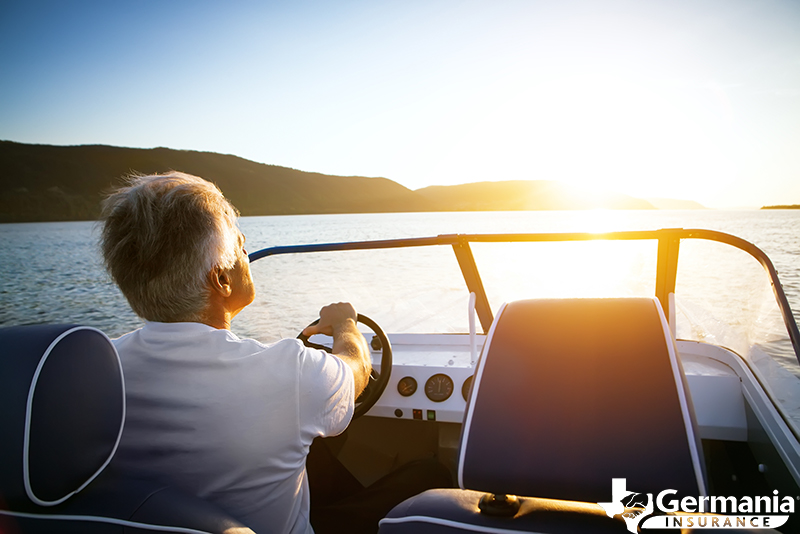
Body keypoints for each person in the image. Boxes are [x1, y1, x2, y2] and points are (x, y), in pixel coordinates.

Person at [101, 172, 375, 534]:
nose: (247, 252)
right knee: (426, 473)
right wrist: (346, 325)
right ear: (222, 280)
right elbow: (355, 372)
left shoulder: (97, 373)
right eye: (241, 245)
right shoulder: (288, 372)